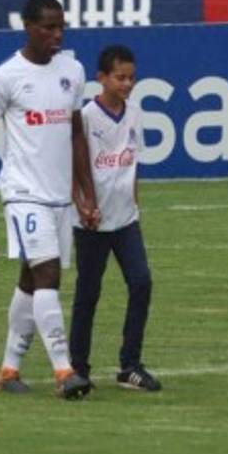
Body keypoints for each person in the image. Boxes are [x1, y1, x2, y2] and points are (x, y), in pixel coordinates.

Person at [0, 0, 97, 399]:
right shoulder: (4, 78)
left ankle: (9, 371)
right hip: (23, 193)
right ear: (28, 28)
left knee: (32, 280)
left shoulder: (73, 70)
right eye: (48, 27)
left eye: (61, 26)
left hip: (59, 196)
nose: (57, 34)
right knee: (49, 273)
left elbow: (76, 134)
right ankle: (64, 371)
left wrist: (86, 194)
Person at [68, 45, 160, 392]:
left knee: (141, 282)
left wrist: (134, 204)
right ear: (101, 78)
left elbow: (132, 162)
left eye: (131, 78)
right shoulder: (87, 116)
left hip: (125, 220)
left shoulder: (135, 113)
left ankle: (129, 365)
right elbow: (74, 166)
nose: (127, 84)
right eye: (120, 77)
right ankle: (78, 366)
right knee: (88, 293)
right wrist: (81, 205)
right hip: (92, 222)